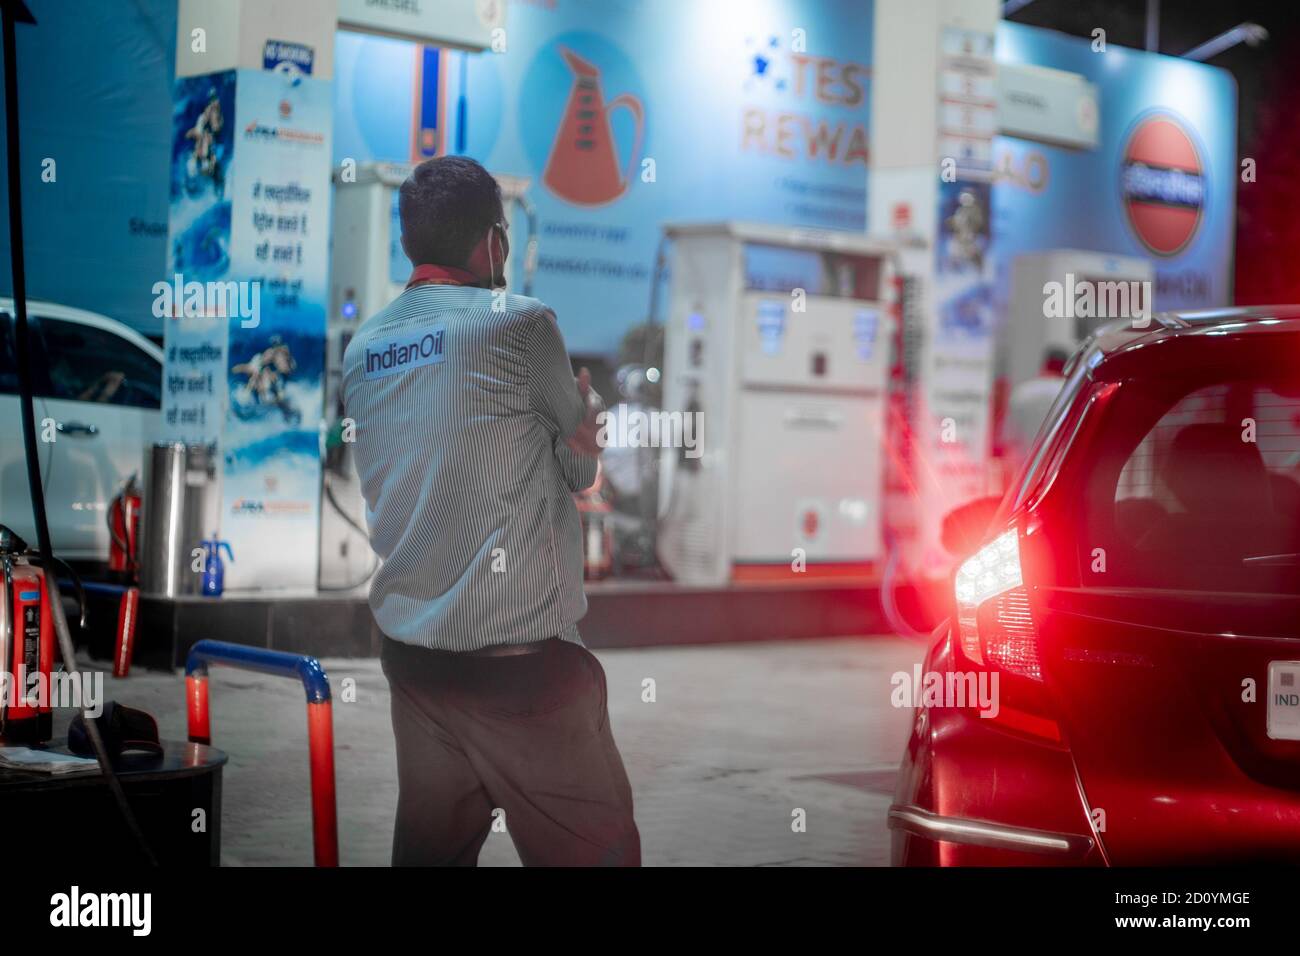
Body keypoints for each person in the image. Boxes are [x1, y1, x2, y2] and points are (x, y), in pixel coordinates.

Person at [341, 156, 640, 866]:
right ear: (494, 243)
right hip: (523, 675)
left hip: (415, 669)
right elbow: (577, 467)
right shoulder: (522, 325)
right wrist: (585, 418)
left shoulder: (365, 349)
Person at [1004, 346, 1070, 468]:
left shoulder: (1022, 392)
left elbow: (1009, 435)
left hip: (1023, 467)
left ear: (1044, 365)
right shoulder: (1069, 394)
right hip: (1055, 467)